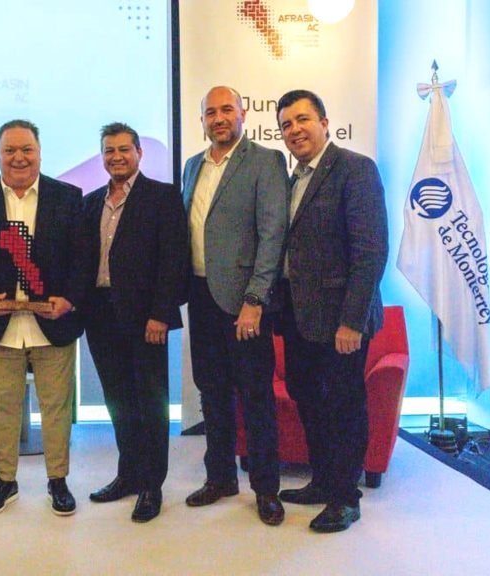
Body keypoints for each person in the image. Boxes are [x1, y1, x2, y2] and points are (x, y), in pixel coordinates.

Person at [0, 119, 84, 516]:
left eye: (27, 149)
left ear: (39, 152)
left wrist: (70, 299)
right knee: (3, 407)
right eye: (10, 150)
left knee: (56, 408)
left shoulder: (68, 197)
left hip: (53, 323)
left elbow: (82, 258)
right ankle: (5, 481)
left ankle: (58, 481)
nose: (19, 157)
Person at [275, 89, 388, 533]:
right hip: (299, 317)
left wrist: (351, 321)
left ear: (324, 122)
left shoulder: (355, 169)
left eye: (302, 119)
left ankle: (345, 498)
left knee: (343, 406)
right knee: (308, 399)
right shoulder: (292, 179)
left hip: (342, 320)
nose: (295, 130)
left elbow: (370, 251)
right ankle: (322, 480)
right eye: (286, 124)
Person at [181, 86, 289, 526]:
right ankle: (221, 477)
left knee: (256, 396)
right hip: (201, 297)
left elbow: (272, 236)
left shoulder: (265, 161)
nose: (219, 118)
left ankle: (266, 489)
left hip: (244, 303)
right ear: (203, 121)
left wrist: (255, 300)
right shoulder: (193, 165)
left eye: (227, 109)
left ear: (243, 114)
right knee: (212, 393)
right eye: (211, 112)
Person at [81, 123, 188, 523]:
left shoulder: (162, 197)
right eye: (109, 151)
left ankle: (151, 485)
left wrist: (161, 314)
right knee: (119, 401)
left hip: (146, 320)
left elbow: (173, 260)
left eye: (124, 149)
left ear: (139, 153)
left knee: (151, 403)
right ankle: (128, 474)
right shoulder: (91, 202)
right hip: (100, 316)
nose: (116, 157)